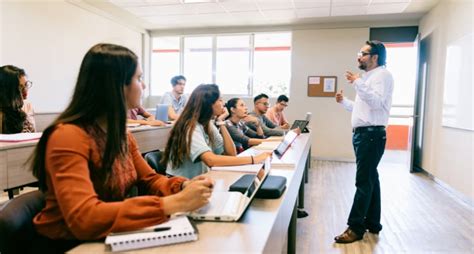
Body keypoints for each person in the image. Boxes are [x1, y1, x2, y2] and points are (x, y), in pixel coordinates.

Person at [30, 44, 213, 251]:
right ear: (116, 85)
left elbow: (149, 179)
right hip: (67, 245)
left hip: (105, 237)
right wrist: (172, 204)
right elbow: (84, 218)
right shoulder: (68, 136)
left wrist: (182, 186)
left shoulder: (121, 134)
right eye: (139, 78)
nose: (143, 87)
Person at [334, 40, 394, 243]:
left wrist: (357, 82)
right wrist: (344, 102)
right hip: (365, 134)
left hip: (370, 136)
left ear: (375, 57)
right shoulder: (369, 77)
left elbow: (377, 103)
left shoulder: (382, 75)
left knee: (363, 182)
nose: (359, 56)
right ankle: (373, 223)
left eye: (363, 53)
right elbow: (363, 110)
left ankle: (356, 227)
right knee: (370, 179)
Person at [162, 84, 271, 179]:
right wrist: (253, 159)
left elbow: (230, 153)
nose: (223, 104)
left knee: (256, 174)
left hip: (200, 179)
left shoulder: (208, 123)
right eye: (220, 100)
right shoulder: (190, 125)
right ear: (208, 104)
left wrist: (220, 121)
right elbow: (210, 160)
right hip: (181, 184)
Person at [0, 65, 35, 134]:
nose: (25, 91)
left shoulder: (27, 106)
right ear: (6, 90)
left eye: (26, 85)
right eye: (19, 87)